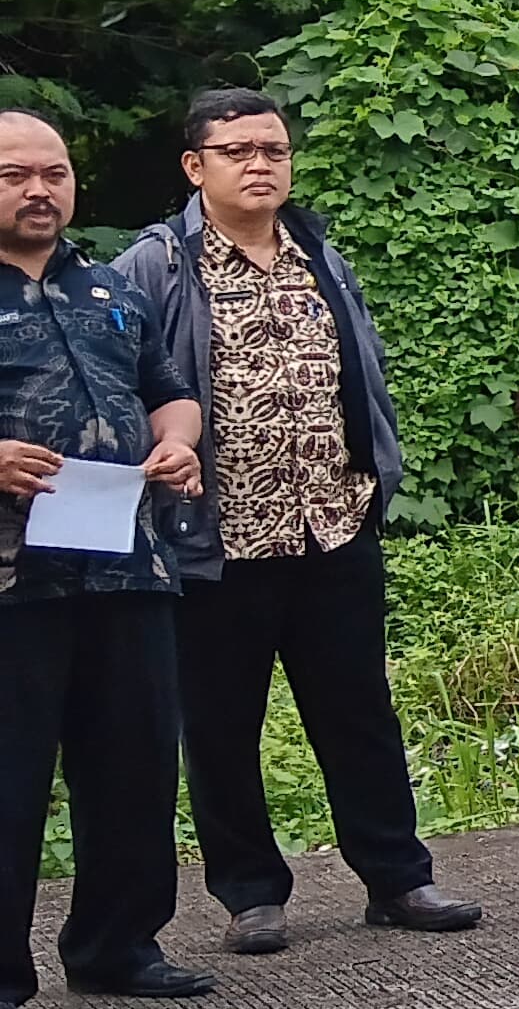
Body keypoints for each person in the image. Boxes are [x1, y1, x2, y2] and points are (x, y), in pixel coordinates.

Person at [115, 89, 480, 954]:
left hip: (333, 523)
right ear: (194, 167)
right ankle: (251, 894)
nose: (259, 164)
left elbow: (363, 366)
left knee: (358, 709)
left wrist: (375, 467)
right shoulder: (158, 265)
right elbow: (129, 385)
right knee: (221, 721)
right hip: (219, 537)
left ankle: (398, 878)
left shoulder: (318, 250)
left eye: (273, 149)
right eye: (237, 150)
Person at [1, 110, 211, 1009]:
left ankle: (119, 946)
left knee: (131, 761)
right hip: (12, 580)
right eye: (15, 175)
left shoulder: (108, 288)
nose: (40, 190)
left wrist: (177, 444)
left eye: (54, 173)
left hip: (128, 562)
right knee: (7, 777)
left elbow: (169, 390)